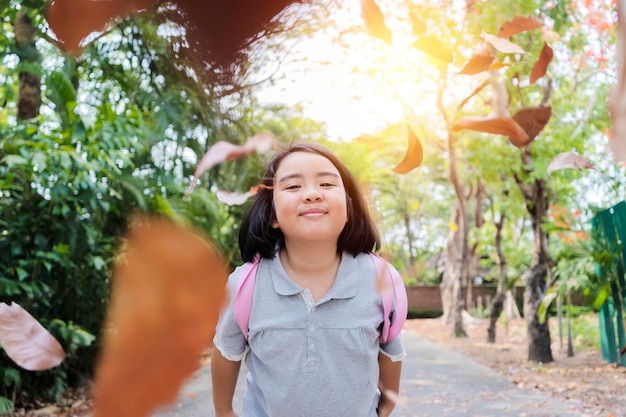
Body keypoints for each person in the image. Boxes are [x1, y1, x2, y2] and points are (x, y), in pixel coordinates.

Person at [211, 143, 406, 417]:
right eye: (292, 187)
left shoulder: (380, 279)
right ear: (272, 216)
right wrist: (223, 411)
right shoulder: (246, 284)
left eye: (326, 184)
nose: (312, 194)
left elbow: (390, 348)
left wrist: (386, 406)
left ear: (349, 208)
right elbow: (226, 351)